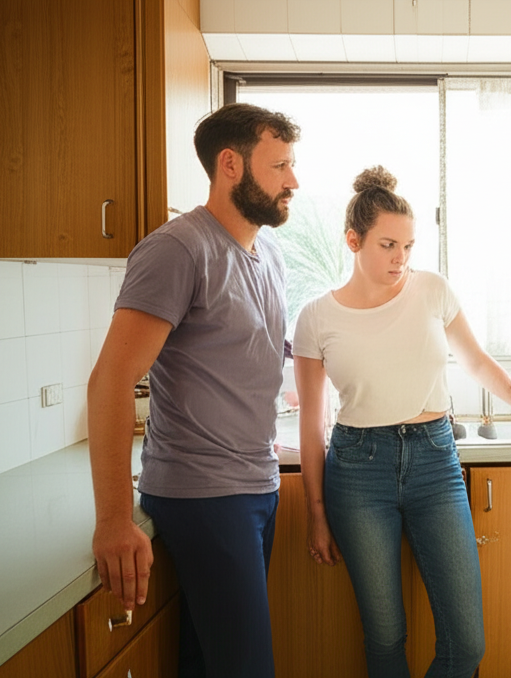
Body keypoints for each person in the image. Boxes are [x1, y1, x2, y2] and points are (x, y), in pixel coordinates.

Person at [291, 166, 511, 678]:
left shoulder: (432, 290)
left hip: (434, 462)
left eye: (408, 245)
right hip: (358, 472)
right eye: (387, 244)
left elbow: (477, 362)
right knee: (385, 636)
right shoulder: (316, 318)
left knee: (466, 643)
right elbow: (313, 423)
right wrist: (316, 512)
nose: (401, 257)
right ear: (353, 240)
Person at [87, 102, 300, 678]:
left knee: (210, 664)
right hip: (203, 494)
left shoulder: (270, 255)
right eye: (279, 165)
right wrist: (112, 520)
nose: (293, 181)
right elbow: (109, 382)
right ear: (230, 165)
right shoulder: (179, 249)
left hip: (255, 482)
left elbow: (244, 356)